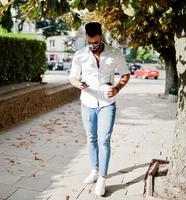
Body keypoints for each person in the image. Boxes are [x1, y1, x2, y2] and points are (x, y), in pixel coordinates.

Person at [69, 22, 130, 196]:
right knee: (91, 139)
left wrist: (117, 88)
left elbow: (125, 74)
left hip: (107, 103)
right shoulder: (80, 55)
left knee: (104, 141)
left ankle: (103, 178)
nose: (92, 46)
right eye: (89, 42)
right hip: (87, 102)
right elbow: (72, 77)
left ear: (101, 37)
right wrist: (78, 83)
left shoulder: (115, 53)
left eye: (95, 42)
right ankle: (95, 170)